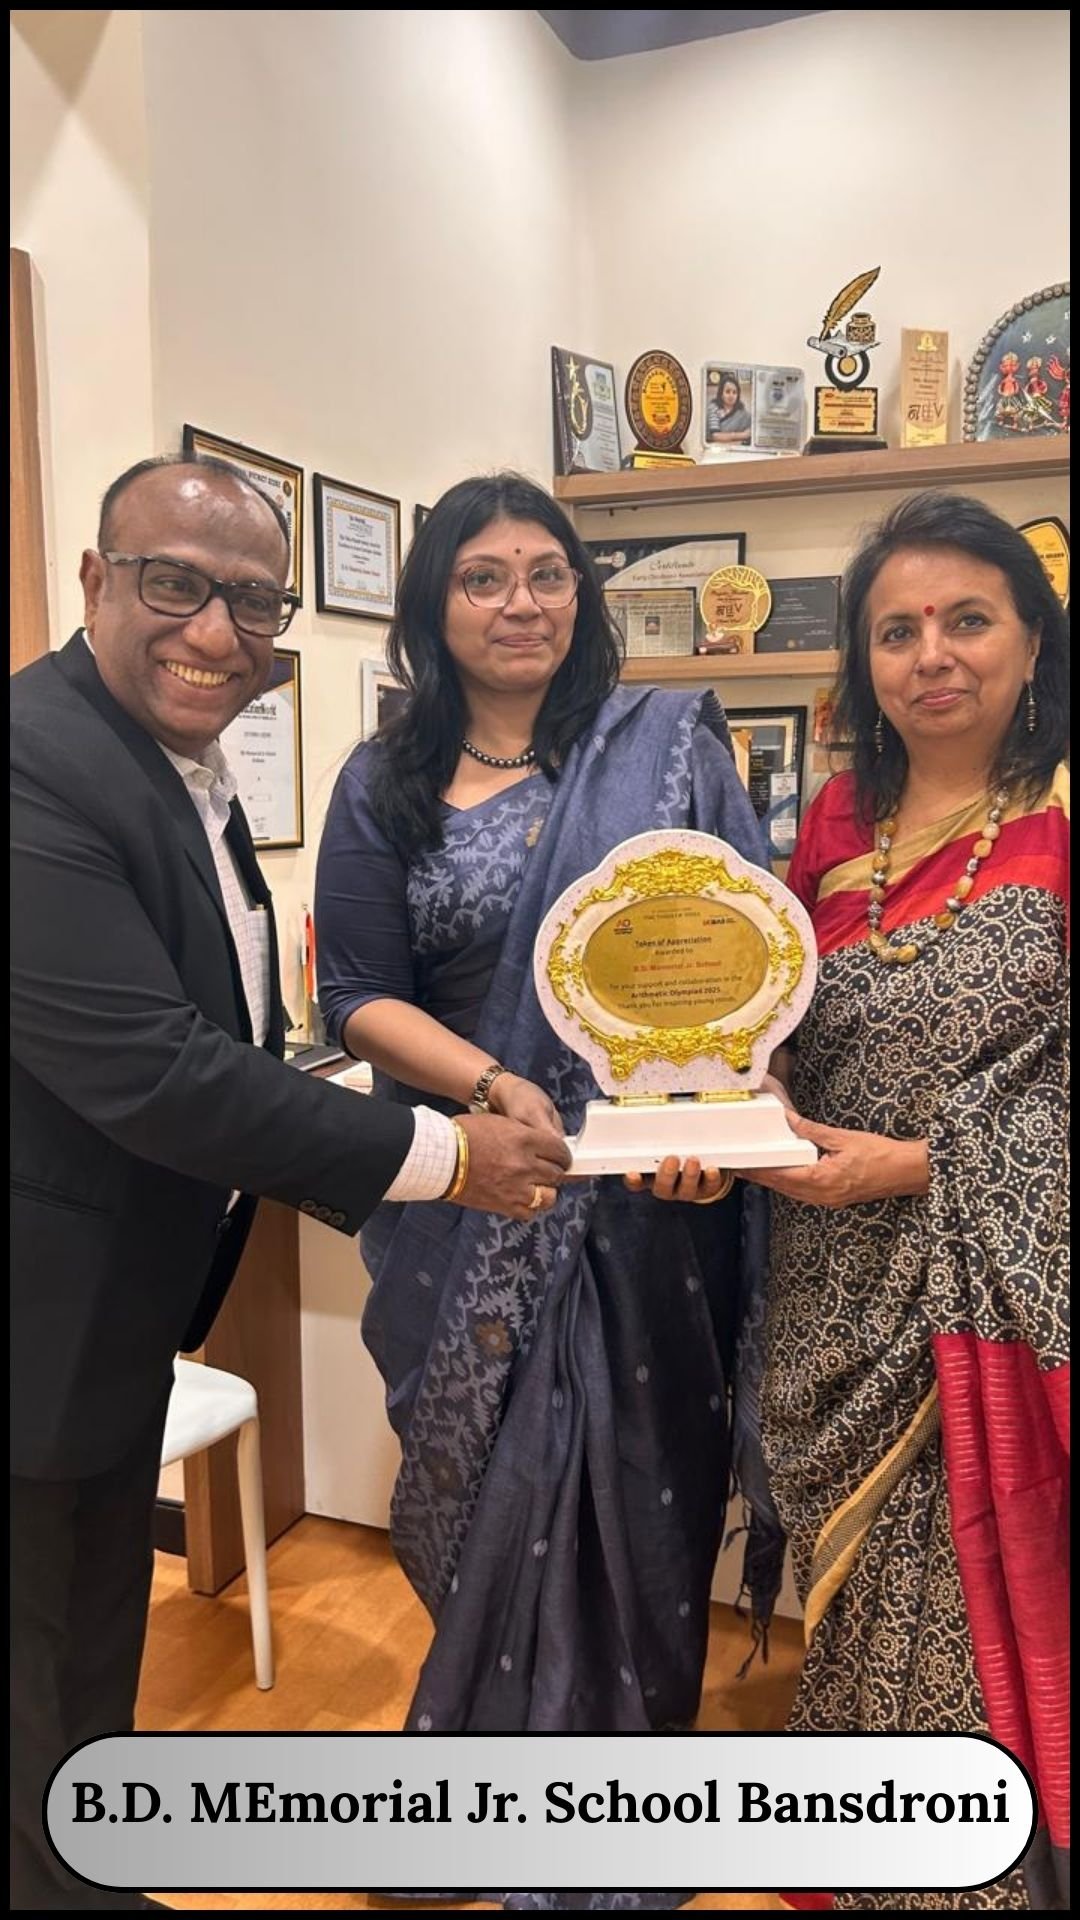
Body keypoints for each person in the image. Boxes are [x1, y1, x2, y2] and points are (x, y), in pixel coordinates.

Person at [10, 455, 571, 1914]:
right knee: (31, 1663)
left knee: (82, 1646)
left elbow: (227, 1031)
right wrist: (449, 1154)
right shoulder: (31, 759)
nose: (218, 631)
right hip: (32, 1316)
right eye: (175, 585)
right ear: (95, 581)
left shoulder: (172, 769)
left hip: (106, 1314)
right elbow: (158, 1069)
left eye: (254, 602)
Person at [653, 491, 1070, 1913]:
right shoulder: (838, 821)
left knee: (962, 1598)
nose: (931, 655)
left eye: (968, 621)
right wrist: (722, 1114)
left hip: (997, 1295)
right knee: (858, 1605)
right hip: (828, 1281)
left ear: (1033, 641)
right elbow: (764, 1021)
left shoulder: (1062, 807)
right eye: (897, 631)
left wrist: (924, 1165)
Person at [314, 472, 771, 1766]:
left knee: (643, 1497)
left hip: (647, 1206)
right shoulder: (383, 780)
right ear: (433, 605)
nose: (520, 603)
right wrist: (490, 1087)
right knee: (479, 1501)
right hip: (475, 1188)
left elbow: (747, 960)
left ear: (581, 592)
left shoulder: (666, 748)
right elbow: (356, 996)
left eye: (547, 573)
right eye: (483, 578)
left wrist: (721, 1127)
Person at [705, 370, 752, 445]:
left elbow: (752, 430)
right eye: (727, 391)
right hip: (715, 447)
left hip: (736, 447)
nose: (731, 395)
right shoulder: (713, 407)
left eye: (734, 392)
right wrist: (743, 435)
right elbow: (715, 436)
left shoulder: (742, 412)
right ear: (721, 394)